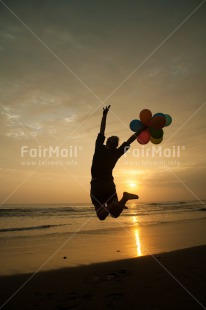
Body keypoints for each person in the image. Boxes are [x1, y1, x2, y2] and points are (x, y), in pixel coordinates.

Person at [90, 105, 145, 221]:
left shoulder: (99, 147)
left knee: (101, 216)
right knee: (115, 215)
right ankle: (124, 199)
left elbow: (102, 130)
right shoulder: (117, 153)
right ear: (115, 145)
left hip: (97, 185)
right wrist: (140, 130)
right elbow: (130, 140)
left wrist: (104, 115)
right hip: (109, 185)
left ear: (107, 142)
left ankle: (114, 204)